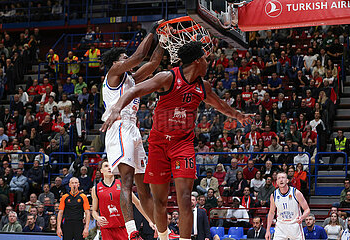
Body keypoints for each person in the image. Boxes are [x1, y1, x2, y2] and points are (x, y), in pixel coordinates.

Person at [100, 41, 252, 240]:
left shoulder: (203, 86)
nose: (208, 63)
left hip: (183, 144)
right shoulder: (167, 77)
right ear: (197, 61)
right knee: (159, 202)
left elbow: (221, 105)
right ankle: (162, 236)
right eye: (205, 60)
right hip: (158, 143)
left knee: (185, 199)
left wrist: (237, 115)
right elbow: (134, 91)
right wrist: (117, 108)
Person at [99, 20, 164, 240]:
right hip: (118, 128)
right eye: (124, 58)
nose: (128, 62)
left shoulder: (132, 79)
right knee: (126, 182)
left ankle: (160, 230)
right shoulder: (113, 73)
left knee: (143, 187)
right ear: (116, 62)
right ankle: (132, 232)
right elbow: (139, 57)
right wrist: (154, 30)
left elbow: (154, 62)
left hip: (132, 130)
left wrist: (164, 39)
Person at [91, 159, 155, 240]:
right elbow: (94, 211)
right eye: (106, 166)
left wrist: (149, 220)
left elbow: (137, 203)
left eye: (111, 166)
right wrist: (97, 218)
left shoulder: (122, 185)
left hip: (123, 227)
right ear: (101, 171)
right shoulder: (96, 188)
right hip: (106, 229)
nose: (109, 168)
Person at [265, 172, 310, 240]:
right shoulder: (274, 195)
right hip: (281, 226)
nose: (281, 180)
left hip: (294, 225)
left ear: (287, 180)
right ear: (276, 182)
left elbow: (307, 209)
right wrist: (268, 230)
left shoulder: (296, 192)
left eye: (283, 178)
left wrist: (302, 217)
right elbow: (271, 212)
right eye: (279, 178)